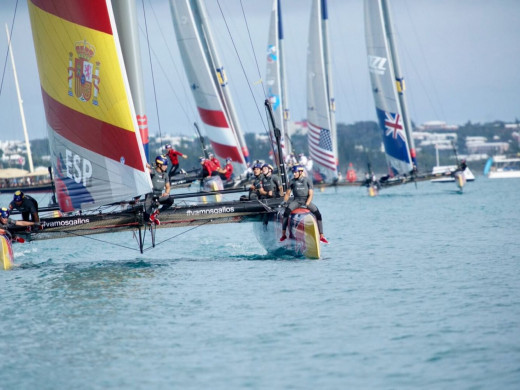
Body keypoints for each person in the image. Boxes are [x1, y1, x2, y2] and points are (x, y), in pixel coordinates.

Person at [280, 165, 328, 244]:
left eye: (295, 172)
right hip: (296, 201)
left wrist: (307, 204)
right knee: (286, 213)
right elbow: (288, 194)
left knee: (318, 214)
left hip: (306, 201)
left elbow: (311, 194)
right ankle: (284, 235)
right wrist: (284, 201)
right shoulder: (292, 181)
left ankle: (321, 236)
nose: (294, 174)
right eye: (293, 172)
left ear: (300, 172)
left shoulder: (308, 181)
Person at [145, 156, 174, 224]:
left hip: (159, 196)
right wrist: (146, 166)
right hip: (150, 196)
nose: (166, 167)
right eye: (165, 165)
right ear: (159, 165)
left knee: (170, 200)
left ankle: (156, 214)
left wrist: (166, 193)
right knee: (146, 219)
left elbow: (168, 187)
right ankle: (150, 217)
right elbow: (147, 170)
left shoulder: (165, 175)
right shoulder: (153, 172)